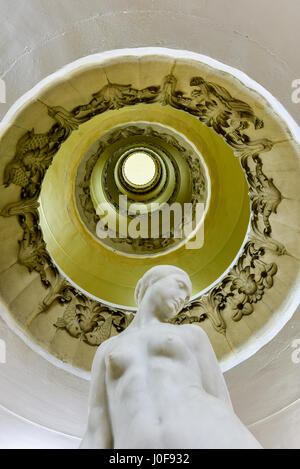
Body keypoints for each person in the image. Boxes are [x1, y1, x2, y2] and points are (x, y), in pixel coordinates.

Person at [80, 265, 261, 449]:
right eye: (180, 285)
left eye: (187, 298)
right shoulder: (107, 348)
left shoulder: (191, 333)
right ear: (151, 281)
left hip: (205, 434)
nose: (183, 298)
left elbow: (220, 399)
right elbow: (96, 426)